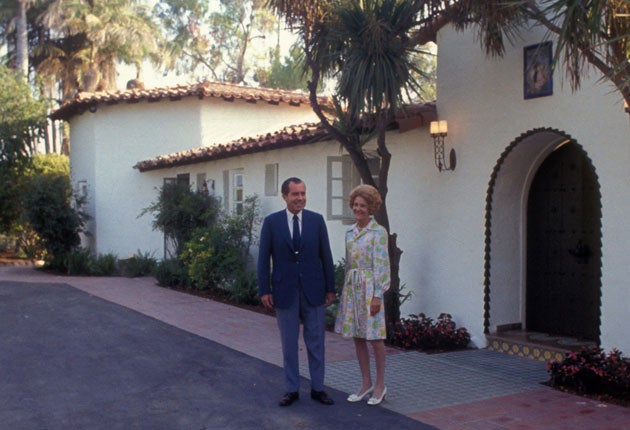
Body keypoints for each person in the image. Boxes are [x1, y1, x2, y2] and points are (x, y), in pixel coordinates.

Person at [257, 177, 336, 407]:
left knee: (316, 342)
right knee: (289, 343)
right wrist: (264, 290)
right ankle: (291, 389)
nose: (300, 198)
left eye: (303, 193)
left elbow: (326, 256)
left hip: (314, 290)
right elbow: (264, 259)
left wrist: (330, 288)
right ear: (284, 196)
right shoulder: (272, 223)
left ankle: (318, 388)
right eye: (295, 194)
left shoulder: (316, 221)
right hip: (284, 291)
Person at [334, 184, 390, 406]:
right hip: (353, 288)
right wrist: (345, 292)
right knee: (358, 336)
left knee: (375, 338)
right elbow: (349, 265)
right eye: (356, 205)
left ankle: (380, 385)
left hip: (370, 288)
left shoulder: (378, 232)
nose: (358, 209)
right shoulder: (350, 233)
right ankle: (365, 383)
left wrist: (377, 295)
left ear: (371, 207)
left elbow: (382, 266)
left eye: (363, 206)